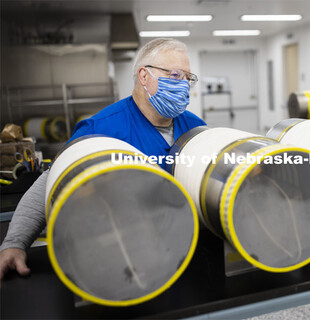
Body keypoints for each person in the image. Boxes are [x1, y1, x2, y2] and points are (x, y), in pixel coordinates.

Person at [0, 38, 206, 281]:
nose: (183, 85)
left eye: (187, 78)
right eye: (174, 75)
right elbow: (50, 183)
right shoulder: (102, 128)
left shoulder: (195, 127)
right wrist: (14, 243)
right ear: (144, 76)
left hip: (187, 249)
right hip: (125, 257)